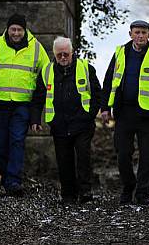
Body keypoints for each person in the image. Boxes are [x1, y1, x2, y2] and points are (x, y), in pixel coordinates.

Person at [0, 13, 50, 196]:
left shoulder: (36, 49)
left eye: (19, 30)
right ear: (7, 29)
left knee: (17, 141)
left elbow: (47, 73)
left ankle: (14, 181)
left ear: (25, 30)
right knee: (1, 145)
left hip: (21, 105)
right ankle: (6, 179)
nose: (16, 33)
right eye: (13, 29)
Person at [100, 19, 149, 206]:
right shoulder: (120, 53)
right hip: (124, 113)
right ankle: (128, 186)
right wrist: (105, 108)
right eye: (137, 32)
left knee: (148, 157)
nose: (140, 36)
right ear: (130, 34)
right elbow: (109, 81)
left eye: (144, 32)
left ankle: (142, 193)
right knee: (123, 154)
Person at [30, 36, 101, 203]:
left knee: (83, 157)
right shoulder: (47, 71)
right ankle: (68, 194)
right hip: (59, 124)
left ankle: (85, 192)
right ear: (54, 54)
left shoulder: (85, 68)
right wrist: (35, 120)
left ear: (72, 53)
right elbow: (38, 98)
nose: (63, 57)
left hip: (82, 123)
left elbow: (98, 94)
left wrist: (89, 114)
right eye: (59, 54)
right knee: (64, 160)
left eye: (66, 54)